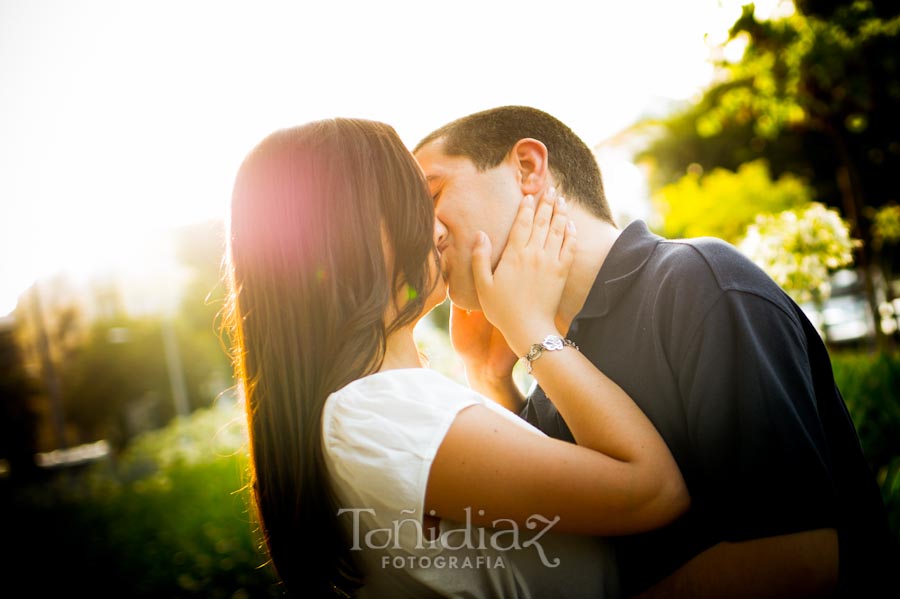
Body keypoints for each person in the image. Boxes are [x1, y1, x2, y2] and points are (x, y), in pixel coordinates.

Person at [414, 105, 898, 598]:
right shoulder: (553, 360)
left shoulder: (700, 283)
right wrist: (491, 376)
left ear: (527, 169)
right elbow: (555, 545)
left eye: (432, 195)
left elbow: (799, 561)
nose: (422, 234)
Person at [222, 118, 690, 598]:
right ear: (348, 234)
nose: (437, 227)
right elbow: (652, 493)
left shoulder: (385, 408)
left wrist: (488, 378)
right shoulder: (378, 413)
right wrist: (532, 329)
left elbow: (510, 544)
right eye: (413, 200)